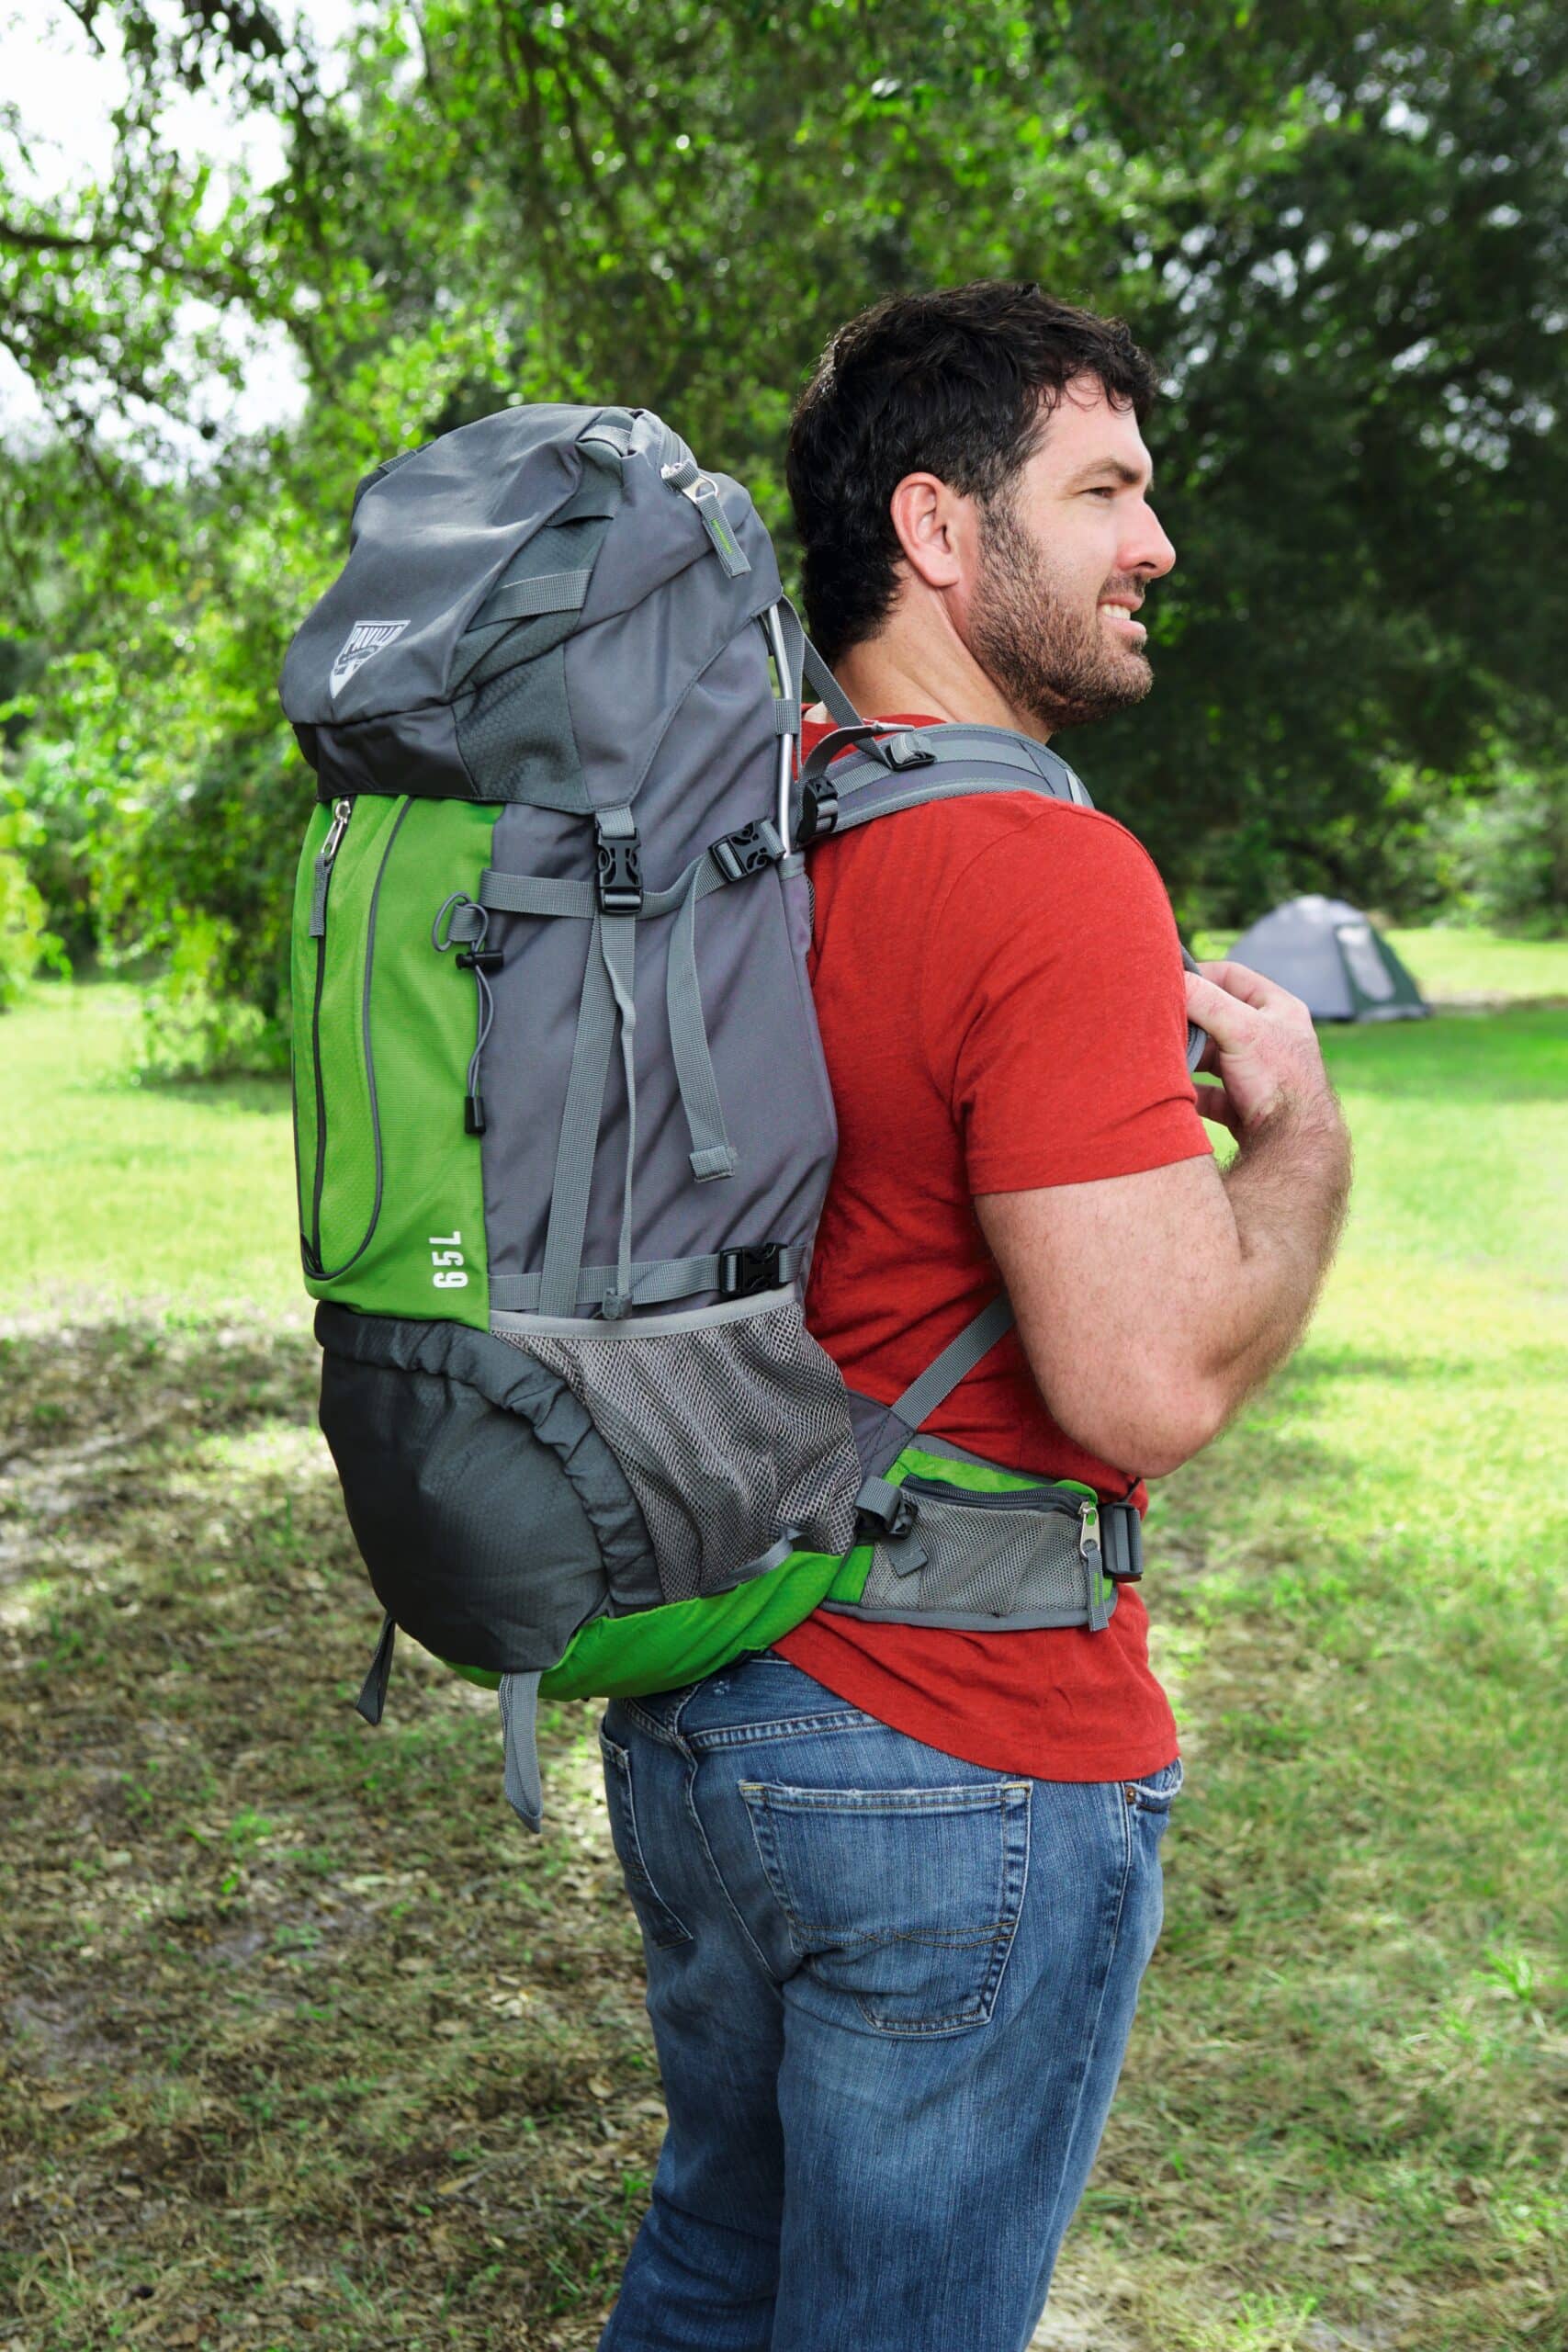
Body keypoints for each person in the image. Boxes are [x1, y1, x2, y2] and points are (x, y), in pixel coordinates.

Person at [595, 282, 1352, 2352]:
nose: (1154, 542)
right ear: (937, 527)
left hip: (703, 1704)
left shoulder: (735, 830)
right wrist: (1295, 1141)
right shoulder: (1041, 869)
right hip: (957, 1751)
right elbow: (1143, 1379)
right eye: (1103, 489)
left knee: (714, 2266)